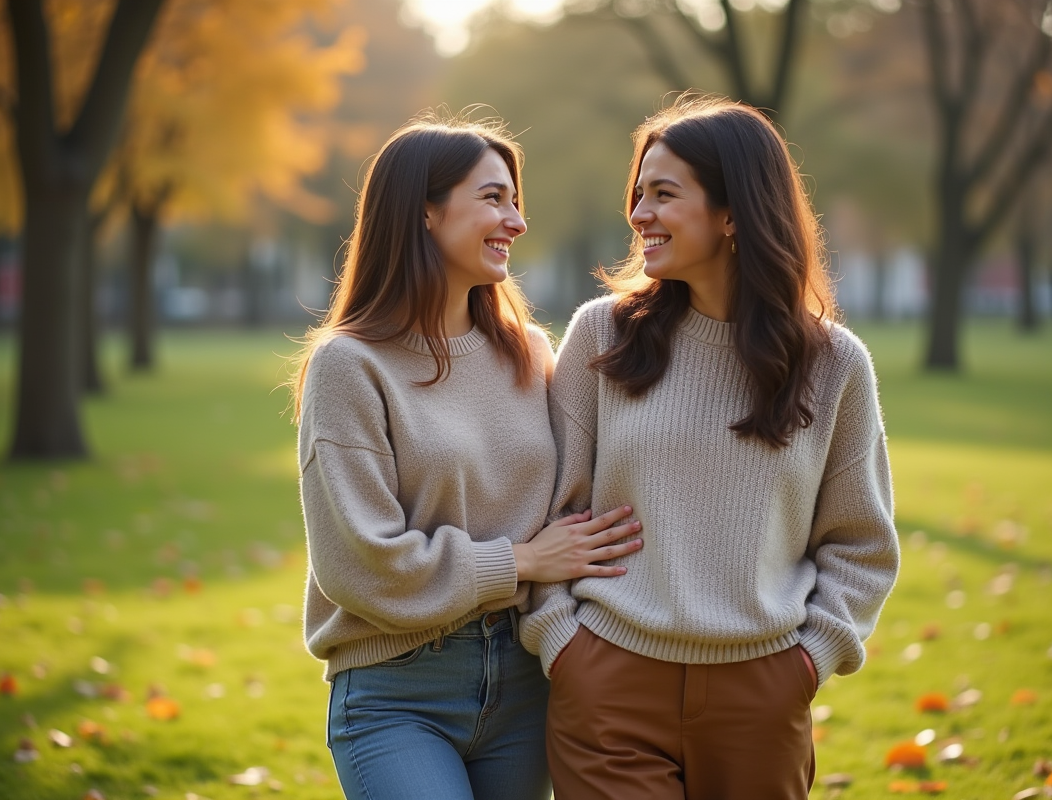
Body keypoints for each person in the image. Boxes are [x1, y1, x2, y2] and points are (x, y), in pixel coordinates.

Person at [521, 95, 901, 799]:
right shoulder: (601, 336)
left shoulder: (834, 364)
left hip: (762, 696)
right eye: (637, 194)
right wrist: (561, 643)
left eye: (663, 194)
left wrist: (809, 662)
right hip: (607, 685)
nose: (639, 215)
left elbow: (861, 544)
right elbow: (549, 506)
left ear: (734, 214)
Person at [290, 113, 643, 800]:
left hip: (525, 683)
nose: (516, 220)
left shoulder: (531, 354)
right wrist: (520, 561)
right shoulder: (349, 367)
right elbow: (360, 564)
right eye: (493, 198)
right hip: (398, 690)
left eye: (516, 201)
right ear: (424, 211)